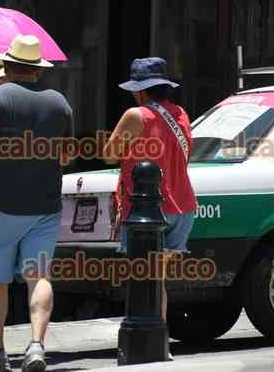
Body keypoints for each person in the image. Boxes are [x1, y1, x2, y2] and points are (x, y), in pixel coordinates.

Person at [0, 34, 74, 372]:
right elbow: (66, 156)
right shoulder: (59, 103)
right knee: (38, 276)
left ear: (8, 66)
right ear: (38, 70)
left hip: (0, 206)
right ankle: (36, 346)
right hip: (45, 207)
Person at [102, 57, 197, 337]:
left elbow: (109, 155)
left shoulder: (136, 115)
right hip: (182, 206)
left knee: (144, 278)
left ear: (141, 91)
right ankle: (158, 337)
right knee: (156, 279)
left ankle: (147, 339)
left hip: (147, 211)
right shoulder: (181, 113)